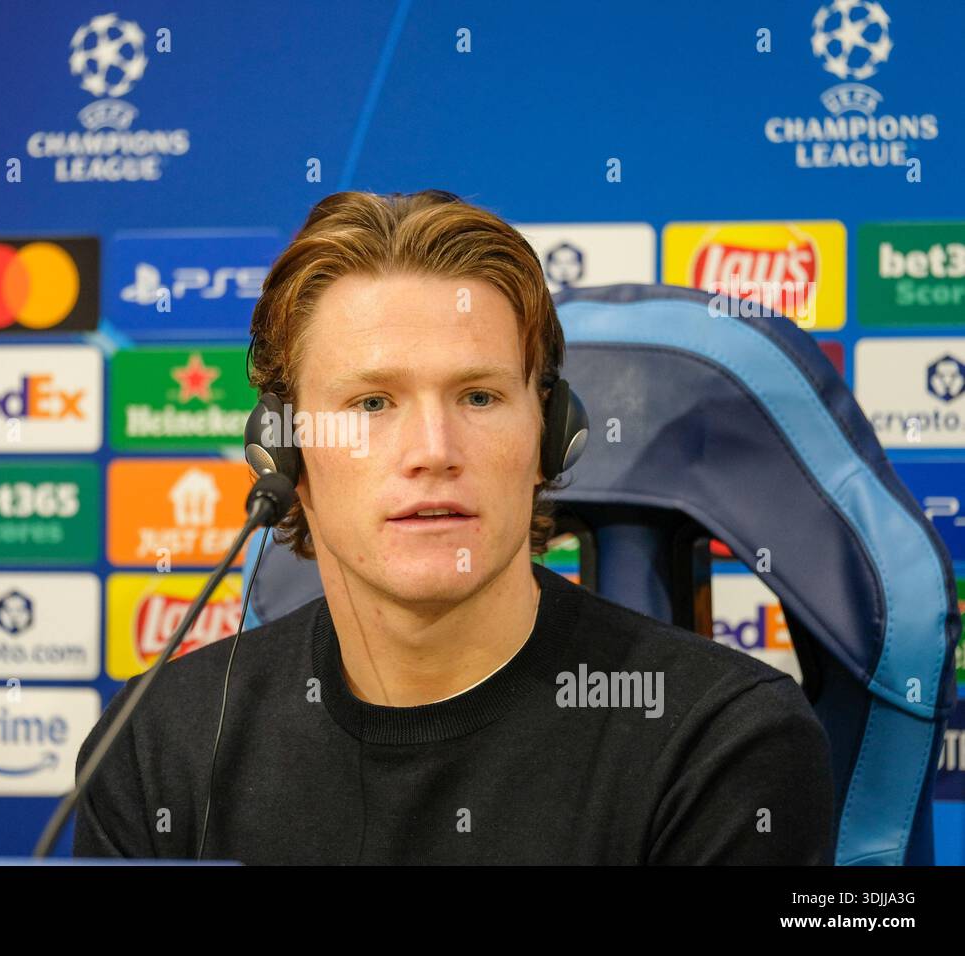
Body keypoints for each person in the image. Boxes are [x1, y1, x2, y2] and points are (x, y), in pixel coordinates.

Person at [73, 189, 835, 864]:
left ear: (549, 438)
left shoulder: (721, 745)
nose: (433, 452)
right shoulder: (156, 746)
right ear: (285, 451)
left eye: (478, 397)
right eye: (372, 404)